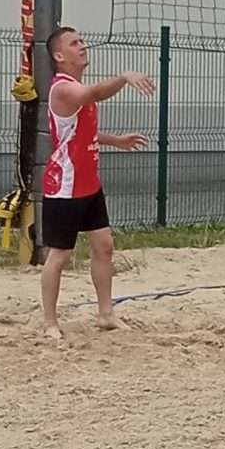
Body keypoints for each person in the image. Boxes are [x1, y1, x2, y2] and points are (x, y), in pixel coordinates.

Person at [35, 27, 154, 342]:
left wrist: (116, 140)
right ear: (59, 56)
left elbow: (80, 133)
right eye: (74, 43)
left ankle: (105, 314)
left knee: (104, 247)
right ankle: (49, 322)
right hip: (65, 186)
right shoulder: (63, 88)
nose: (83, 46)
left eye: (82, 41)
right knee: (59, 256)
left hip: (88, 183)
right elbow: (95, 94)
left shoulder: (76, 88)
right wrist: (124, 77)